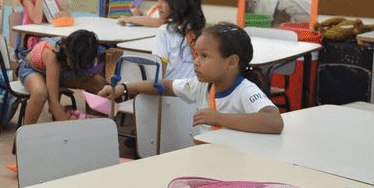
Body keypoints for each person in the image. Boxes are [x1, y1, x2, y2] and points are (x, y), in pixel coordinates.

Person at [100, 23, 283, 135]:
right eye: (196, 55)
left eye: (204, 56)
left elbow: (274, 122)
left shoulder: (245, 90)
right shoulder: (202, 86)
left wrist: (219, 118)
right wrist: (123, 88)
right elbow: (163, 86)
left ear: (232, 61)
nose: (196, 62)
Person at [18, 30, 105, 126]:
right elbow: (53, 103)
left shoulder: (85, 50)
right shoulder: (52, 54)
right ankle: (26, 135)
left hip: (60, 73)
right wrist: (68, 129)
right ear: (70, 54)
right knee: (40, 92)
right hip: (33, 70)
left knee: (99, 82)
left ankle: (92, 123)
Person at [153, 0, 206, 80]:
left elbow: (158, 74)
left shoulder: (164, 32)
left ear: (180, 3)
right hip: (197, 94)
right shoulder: (203, 30)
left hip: (170, 93)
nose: (158, 5)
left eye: (165, 0)